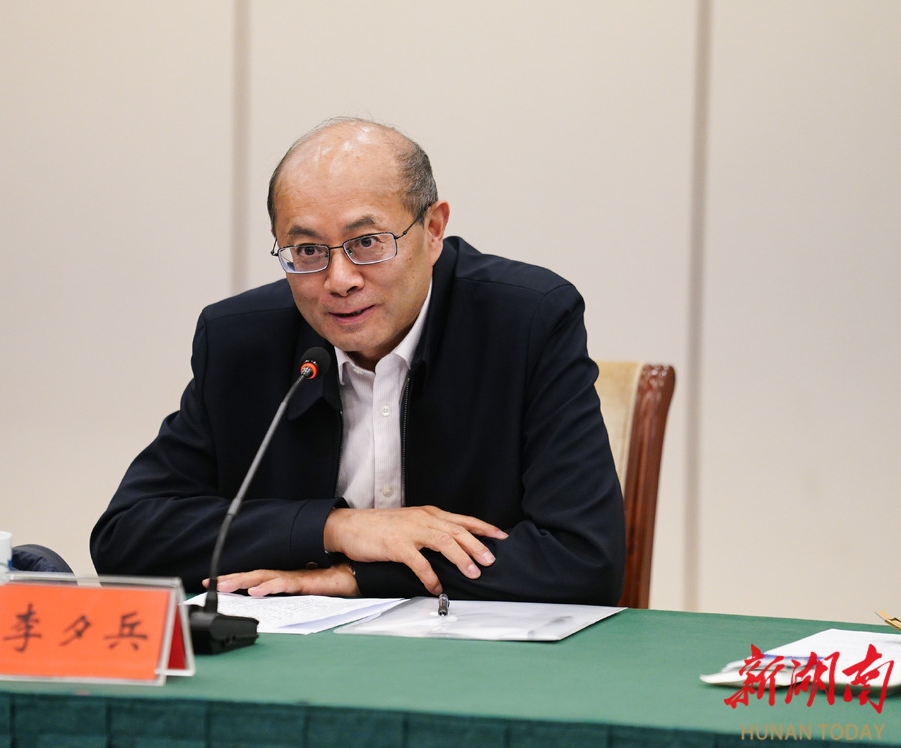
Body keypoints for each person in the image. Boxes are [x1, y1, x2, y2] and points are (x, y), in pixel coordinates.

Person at [90, 117, 625, 604]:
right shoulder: (240, 340)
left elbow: (583, 560)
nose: (339, 280)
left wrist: (356, 576)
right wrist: (335, 529)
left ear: (433, 230)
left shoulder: (527, 323)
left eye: (367, 242)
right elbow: (127, 536)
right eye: (307, 251)